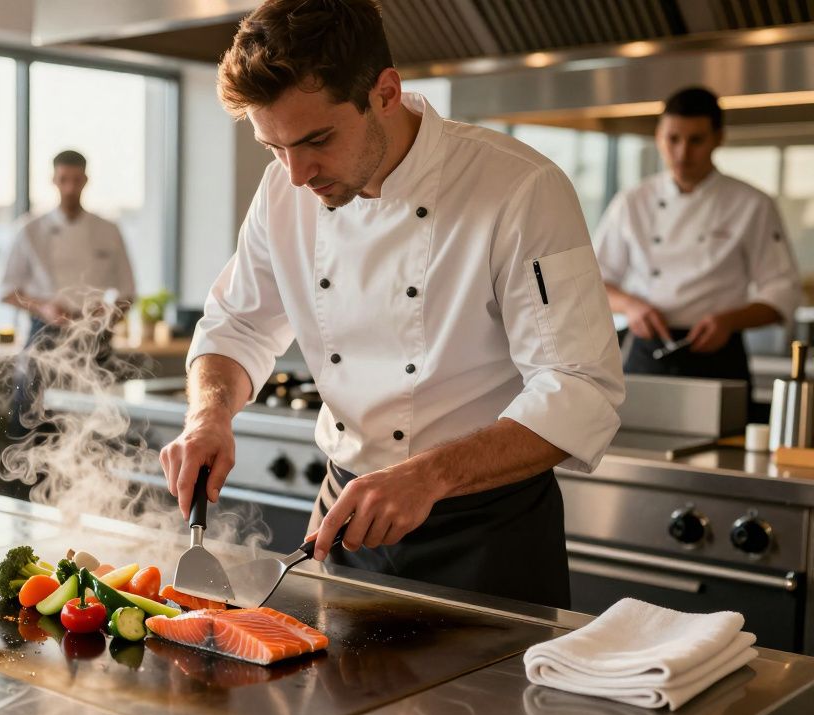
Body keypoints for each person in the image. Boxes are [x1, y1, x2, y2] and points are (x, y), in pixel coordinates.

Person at [159, 0, 624, 609]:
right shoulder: (284, 189)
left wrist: (427, 476)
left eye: (317, 140)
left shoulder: (519, 189)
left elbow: (580, 386)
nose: (297, 175)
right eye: (275, 148)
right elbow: (237, 324)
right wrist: (209, 414)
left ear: (385, 91)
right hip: (343, 519)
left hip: (483, 532)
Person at [595, 86, 799, 410]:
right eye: (672, 139)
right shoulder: (632, 201)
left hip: (717, 356)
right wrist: (631, 305)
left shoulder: (751, 204)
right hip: (645, 351)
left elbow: (783, 291)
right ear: (659, 135)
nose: (681, 153)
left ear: (718, 138)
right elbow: (592, 280)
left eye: (695, 140)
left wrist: (730, 321)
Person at [0, 150, 136, 439]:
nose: (70, 187)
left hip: (95, 339)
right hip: (46, 336)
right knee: (33, 429)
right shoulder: (30, 230)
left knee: (99, 430)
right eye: (64, 180)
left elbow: (128, 293)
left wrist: (107, 314)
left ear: (86, 180)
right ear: (54, 180)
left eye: (76, 180)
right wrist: (44, 307)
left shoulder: (108, 231)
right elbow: (6, 291)